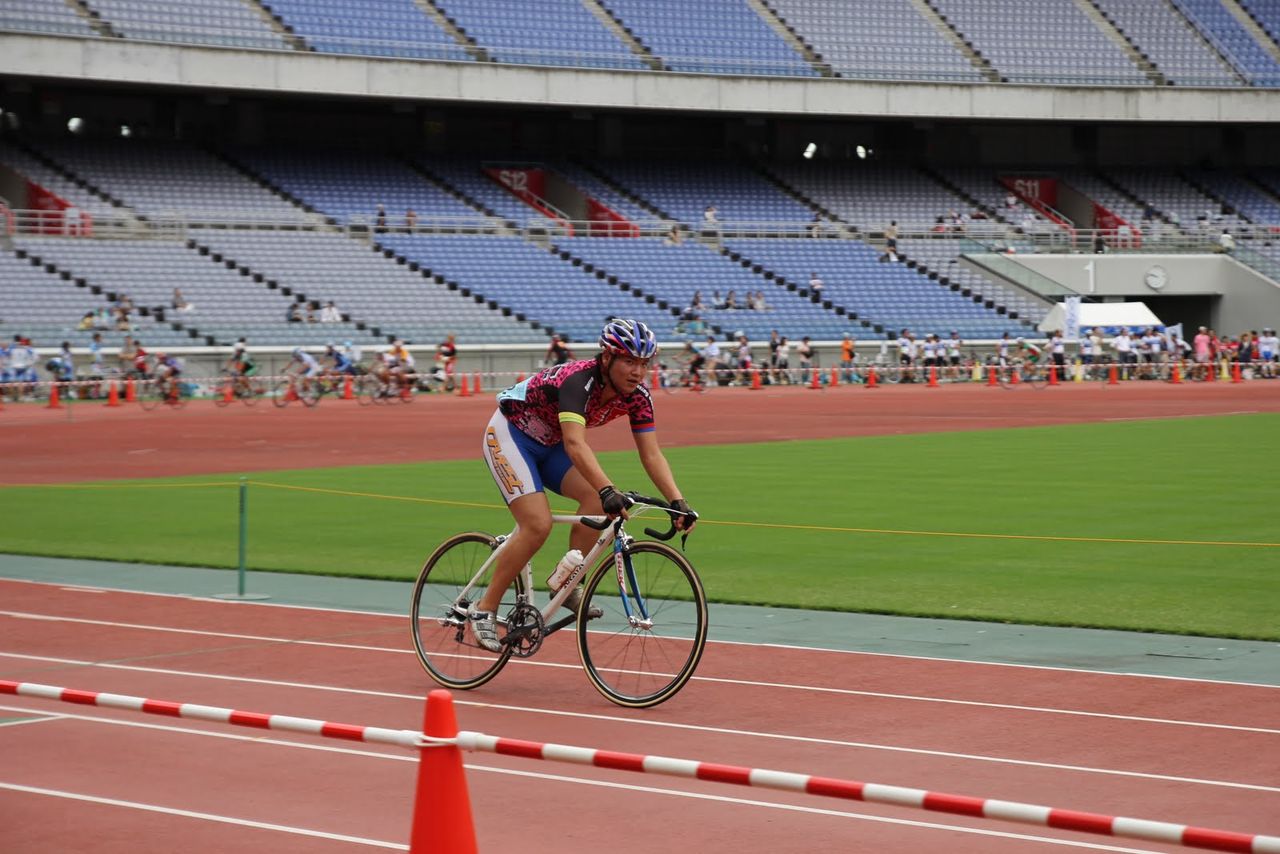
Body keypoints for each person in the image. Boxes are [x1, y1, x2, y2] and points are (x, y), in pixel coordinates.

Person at [470, 319, 697, 652]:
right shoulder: (579, 381)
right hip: (512, 435)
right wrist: (608, 489)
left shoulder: (638, 398)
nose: (637, 372)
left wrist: (677, 501)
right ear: (606, 358)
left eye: (643, 363)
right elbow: (575, 444)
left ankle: (567, 583)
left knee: (597, 501)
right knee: (537, 524)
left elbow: (651, 453)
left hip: (551, 445)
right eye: (629, 361)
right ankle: (484, 609)